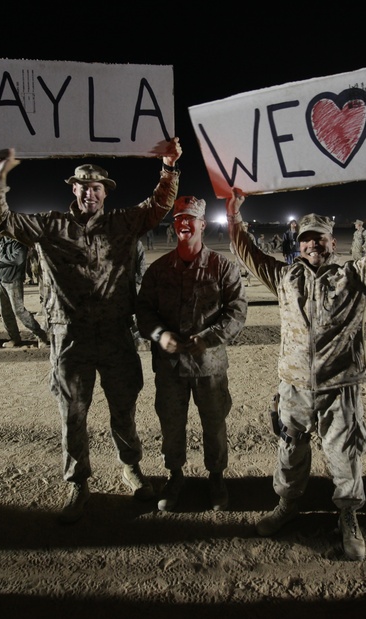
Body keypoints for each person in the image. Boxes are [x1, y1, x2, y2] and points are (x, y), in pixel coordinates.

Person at [226, 165, 366, 562]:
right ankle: (287, 505)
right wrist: (234, 216)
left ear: (333, 242)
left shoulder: (355, 278)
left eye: (319, 238)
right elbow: (247, 253)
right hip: (294, 385)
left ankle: (349, 516)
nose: (313, 244)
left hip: (339, 386)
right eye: (306, 239)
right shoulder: (285, 279)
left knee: (344, 452)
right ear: (298, 245)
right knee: (290, 448)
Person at [0, 138, 182, 524]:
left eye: (97, 188)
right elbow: (0, 220)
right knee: (72, 413)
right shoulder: (49, 225)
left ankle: (131, 467)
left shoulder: (124, 222)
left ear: (105, 193)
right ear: (73, 188)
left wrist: (169, 168)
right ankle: (78, 482)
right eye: (84, 187)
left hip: (116, 333)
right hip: (69, 334)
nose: (90, 193)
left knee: (123, 410)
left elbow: (158, 206)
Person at [136, 196, 247, 513]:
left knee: (214, 425)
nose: (184, 223)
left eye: (190, 219)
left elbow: (237, 313)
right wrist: (159, 334)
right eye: (179, 219)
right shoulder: (159, 270)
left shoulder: (222, 267)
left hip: (208, 367)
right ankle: (175, 476)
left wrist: (210, 338)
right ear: (174, 226)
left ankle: (216, 478)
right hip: (170, 367)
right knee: (171, 426)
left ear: (203, 224)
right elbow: (143, 311)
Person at [0, 233, 49, 348]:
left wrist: (0, 259)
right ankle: (14, 338)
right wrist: (3, 262)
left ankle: (41, 335)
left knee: (19, 310)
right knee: (5, 312)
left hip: (13, 280)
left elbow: (18, 259)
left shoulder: (18, 242)